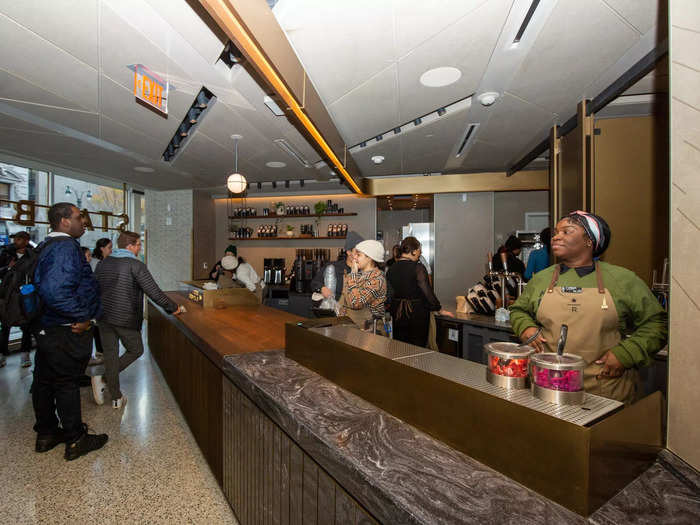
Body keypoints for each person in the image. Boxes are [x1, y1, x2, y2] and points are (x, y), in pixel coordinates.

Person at [510, 211, 668, 404]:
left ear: (589, 241)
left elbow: (657, 323)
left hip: (604, 389)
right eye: (556, 232)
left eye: (567, 231)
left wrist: (626, 353)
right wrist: (526, 327)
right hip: (547, 385)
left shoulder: (622, 280)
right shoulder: (542, 279)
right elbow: (519, 310)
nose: (556, 237)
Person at [32, 202, 107, 461]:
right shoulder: (65, 247)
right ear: (64, 221)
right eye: (78, 218)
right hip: (65, 329)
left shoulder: (46, 245)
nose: (83, 222)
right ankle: (75, 438)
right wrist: (82, 316)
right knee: (66, 383)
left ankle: (46, 434)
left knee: (43, 382)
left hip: (46, 328)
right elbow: (55, 291)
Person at [93, 231, 184, 408]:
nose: (140, 247)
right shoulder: (135, 265)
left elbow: (94, 290)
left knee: (110, 354)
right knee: (136, 349)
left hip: (103, 317)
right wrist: (174, 308)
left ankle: (116, 397)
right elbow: (154, 292)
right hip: (124, 317)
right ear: (131, 246)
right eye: (138, 244)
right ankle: (104, 378)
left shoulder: (103, 264)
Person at [387, 236, 454, 347]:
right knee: (417, 348)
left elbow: (389, 293)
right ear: (413, 251)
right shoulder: (418, 268)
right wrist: (438, 308)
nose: (420, 254)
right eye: (419, 251)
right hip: (416, 313)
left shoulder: (391, 268)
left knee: (400, 347)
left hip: (397, 313)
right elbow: (427, 292)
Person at [0, 232, 34, 368]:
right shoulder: (6, 253)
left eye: (19, 239)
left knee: (26, 326)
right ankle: (2, 353)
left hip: (25, 294)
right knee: (5, 326)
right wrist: (8, 268)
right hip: (8, 295)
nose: (16, 241)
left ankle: (25, 354)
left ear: (26, 241)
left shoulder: (32, 255)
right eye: (15, 239)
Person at [341, 240, 387, 329]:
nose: (354, 257)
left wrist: (353, 274)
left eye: (358, 255)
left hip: (370, 331)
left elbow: (356, 303)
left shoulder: (377, 279)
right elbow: (346, 301)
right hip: (352, 327)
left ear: (369, 257)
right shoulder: (355, 276)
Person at [311, 231, 364, 302]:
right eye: (357, 252)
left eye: (362, 253)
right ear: (348, 252)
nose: (360, 255)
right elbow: (314, 283)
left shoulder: (365, 271)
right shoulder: (333, 267)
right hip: (333, 308)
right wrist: (322, 288)